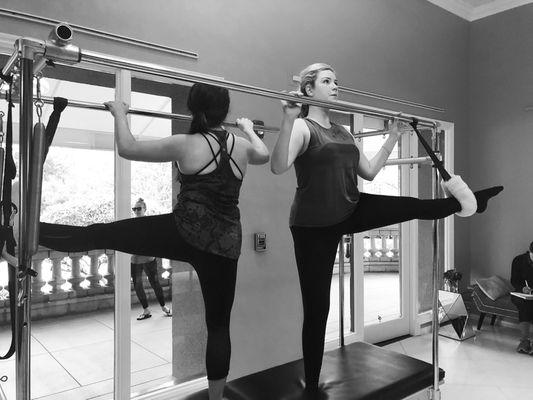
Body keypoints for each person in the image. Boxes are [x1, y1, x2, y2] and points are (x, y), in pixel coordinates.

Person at [271, 62, 503, 393]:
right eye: (327, 81)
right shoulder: (303, 128)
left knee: (413, 205)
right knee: (317, 308)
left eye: (336, 80)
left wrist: (393, 135)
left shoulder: (344, 131)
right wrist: (287, 117)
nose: (335, 85)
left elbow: (369, 171)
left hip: (351, 206)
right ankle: (311, 387)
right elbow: (278, 166)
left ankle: (472, 202)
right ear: (309, 89)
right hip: (312, 226)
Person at [38, 83, 270, 400]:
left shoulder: (186, 143)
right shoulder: (243, 146)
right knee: (219, 326)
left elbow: (128, 148)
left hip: (185, 231)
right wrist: (247, 128)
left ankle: (30, 232)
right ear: (225, 111)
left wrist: (119, 113)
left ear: (193, 109)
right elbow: (264, 154)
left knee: (100, 233)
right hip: (226, 243)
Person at [130, 197, 172, 320]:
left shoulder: (150, 223)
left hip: (149, 259)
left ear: (145, 209)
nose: (136, 211)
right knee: (138, 285)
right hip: (135, 260)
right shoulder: (131, 224)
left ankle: (164, 307)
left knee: (155, 283)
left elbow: (155, 238)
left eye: (139, 208)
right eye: (134, 209)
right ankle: (146, 310)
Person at [510, 241, 533, 354]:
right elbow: (514, 280)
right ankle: (525, 341)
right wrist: (523, 288)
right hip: (520, 293)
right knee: (525, 304)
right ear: (530, 251)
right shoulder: (518, 260)